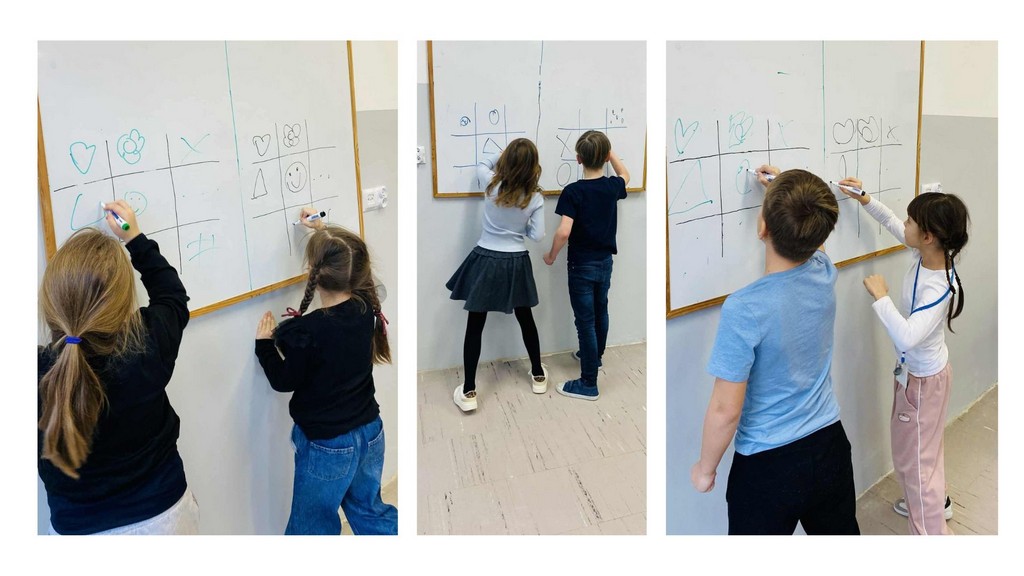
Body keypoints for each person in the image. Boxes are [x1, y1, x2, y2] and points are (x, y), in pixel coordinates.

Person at [690, 165, 859, 535]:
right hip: (829, 446)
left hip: (768, 466)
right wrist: (787, 194)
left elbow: (725, 410)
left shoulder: (744, 308)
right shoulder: (823, 271)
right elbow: (814, 241)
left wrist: (705, 469)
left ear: (762, 227)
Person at [38, 200, 197, 535]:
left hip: (80, 532)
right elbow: (172, 296)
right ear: (124, 303)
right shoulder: (148, 342)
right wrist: (133, 237)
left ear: (50, 304)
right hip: (166, 518)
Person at [255, 210, 397, 535]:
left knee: (311, 528)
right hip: (371, 432)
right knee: (371, 512)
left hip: (328, 446)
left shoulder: (306, 331)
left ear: (312, 272)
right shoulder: (367, 306)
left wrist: (264, 346)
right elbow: (361, 270)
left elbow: (284, 380)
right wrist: (323, 232)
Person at [840, 178, 969, 535]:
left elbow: (908, 337)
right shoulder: (926, 254)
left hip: (923, 382)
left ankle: (929, 531)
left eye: (912, 221)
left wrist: (881, 297)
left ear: (927, 236)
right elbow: (892, 222)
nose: (905, 224)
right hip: (921, 377)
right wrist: (865, 199)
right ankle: (937, 504)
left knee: (914, 463)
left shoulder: (940, 284)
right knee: (922, 451)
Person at [446, 138, 549, 412]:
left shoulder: (492, 185)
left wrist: (500, 154)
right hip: (516, 261)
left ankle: (469, 391)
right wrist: (520, 229)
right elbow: (538, 235)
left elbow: (482, 163)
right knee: (526, 318)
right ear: (533, 165)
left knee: (475, 324)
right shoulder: (535, 197)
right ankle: (538, 375)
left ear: (506, 161)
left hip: (486, 258)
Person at [544, 130, 629, 401]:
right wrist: (610, 154)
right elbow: (625, 175)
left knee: (585, 322)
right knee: (600, 311)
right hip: (605, 263)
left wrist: (551, 255)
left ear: (578, 159)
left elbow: (563, 232)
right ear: (604, 157)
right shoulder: (612, 187)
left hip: (581, 265)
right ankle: (595, 357)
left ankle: (588, 383)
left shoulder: (573, 192)